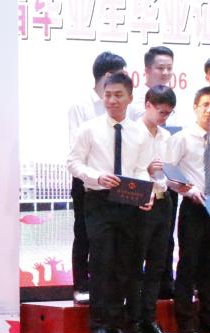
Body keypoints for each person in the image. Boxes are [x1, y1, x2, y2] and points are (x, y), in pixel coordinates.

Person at [67, 71, 154, 333]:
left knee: (125, 264)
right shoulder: (89, 128)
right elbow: (73, 163)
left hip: (129, 200)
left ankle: (119, 324)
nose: (112, 100)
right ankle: (99, 326)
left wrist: (147, 192)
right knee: (102, 262)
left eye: (118, 95)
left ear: (130, 98)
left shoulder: (140, 132)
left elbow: (142, 167)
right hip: (98, 200)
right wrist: (96, 177)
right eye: (107, 95)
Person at [165, 87, 210, 333]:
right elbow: (168, 173)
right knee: (189, 263)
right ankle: (186, 323)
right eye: (205, 105)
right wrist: (188, 188)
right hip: (193, 206)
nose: (209, 110)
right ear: (195, 107)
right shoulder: (182, 138)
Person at [68, 52, 127, 304]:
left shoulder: (123, 107)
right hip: (87, 179)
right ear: (107, 76)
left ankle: (110, 289)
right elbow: (75, 150)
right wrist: (95, 175)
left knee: (114, 237)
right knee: (83, 232)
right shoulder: (81, 106)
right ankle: (82, 285)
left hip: (116, 180)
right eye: (122, 74)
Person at [126, 86, 178, 333]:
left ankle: (150, 319)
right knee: (135, 263)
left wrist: (179, 182)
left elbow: (169, 171)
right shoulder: (131, 132)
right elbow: (126, 170)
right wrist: (146, 171)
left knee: (158, 262)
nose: (164, 118)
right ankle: (133, 320)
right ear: (147, 105)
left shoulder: (167, 136)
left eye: (168, 113)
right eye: (161, 112)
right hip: (139, 202)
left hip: (163, 200)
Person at [128, 46, 175, 122]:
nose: (166, 73)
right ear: (147, 70)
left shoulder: (173, 97)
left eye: (169, 68)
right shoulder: (136, 100)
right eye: (160, 68)